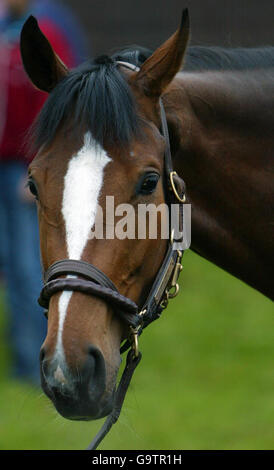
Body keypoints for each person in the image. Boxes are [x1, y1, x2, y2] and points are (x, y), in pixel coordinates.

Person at [0, 0, 89, 385]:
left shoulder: (46, 34)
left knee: (25, 266)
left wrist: (39, 168)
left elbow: (57, 102)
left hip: (23, 171)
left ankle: (33, 365)